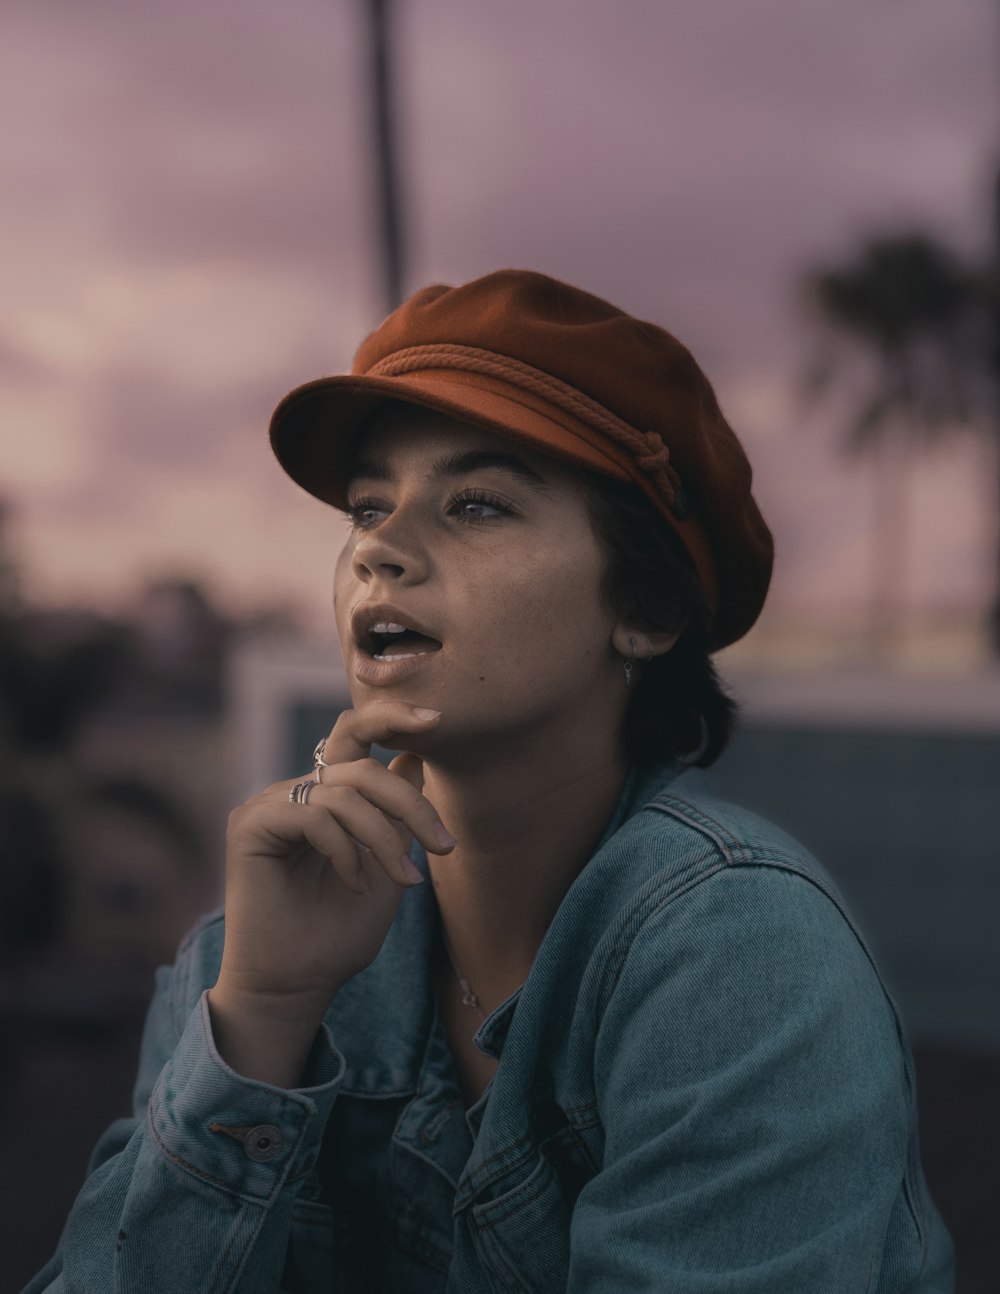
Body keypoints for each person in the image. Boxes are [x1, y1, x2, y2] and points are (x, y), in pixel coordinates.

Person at [24, 269, 954, 1292]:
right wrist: (259, 1013)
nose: (379, 546)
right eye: (369, 504)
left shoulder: (738, 949)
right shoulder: (240, 948)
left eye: (476, 503)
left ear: (643, 607)